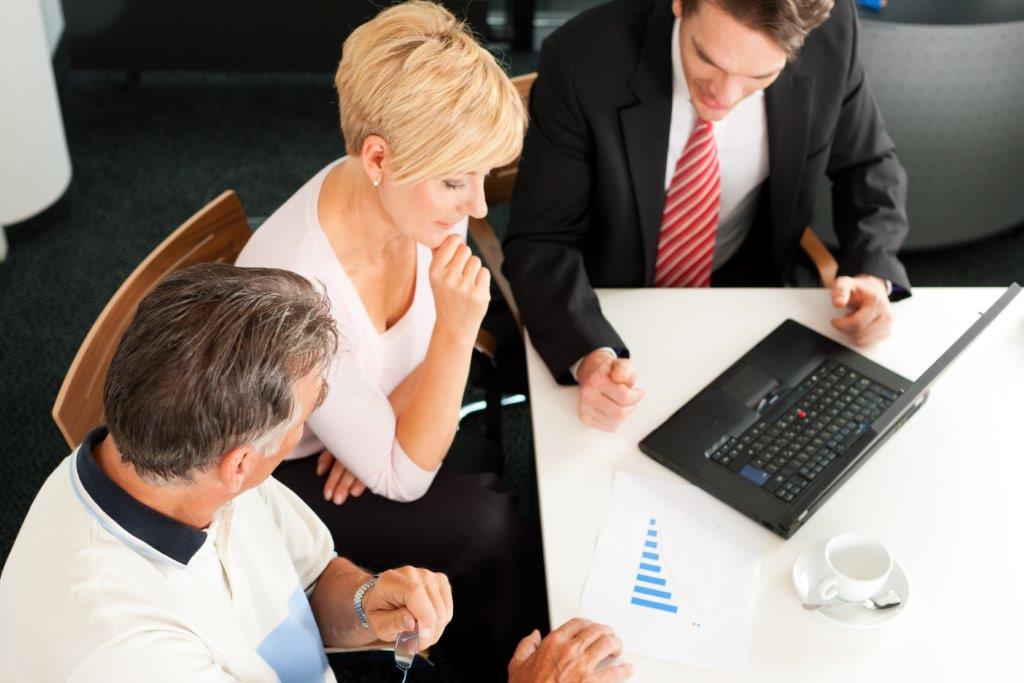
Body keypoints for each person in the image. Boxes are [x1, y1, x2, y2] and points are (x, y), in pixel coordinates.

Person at [0, 263, 633, 682]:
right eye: (305, 417)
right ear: (241, 463)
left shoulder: (182, 458)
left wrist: (363, 605)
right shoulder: (129, 657)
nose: (304, 434)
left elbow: (307, 575)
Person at [233, 2, 541, 672]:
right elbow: (402, 478)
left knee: (486, 501)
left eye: (482, 177)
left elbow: (395, 436)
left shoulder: (416, 194)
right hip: (287, 476)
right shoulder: (297, 288)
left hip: (368, 434)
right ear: (377, 157)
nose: (479, 207)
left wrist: (381, 414)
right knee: (492, 522)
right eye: (459, 182)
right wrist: (456, 334)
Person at [502, 0, 913, 432]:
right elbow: (542, 237)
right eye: (706, 59)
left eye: (759, 77)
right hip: (607, 305)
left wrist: (871, 272)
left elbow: (868, 165)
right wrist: (590, 355)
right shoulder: (583, 57)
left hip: (749, 302)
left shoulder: (832, 34)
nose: (724, 96)